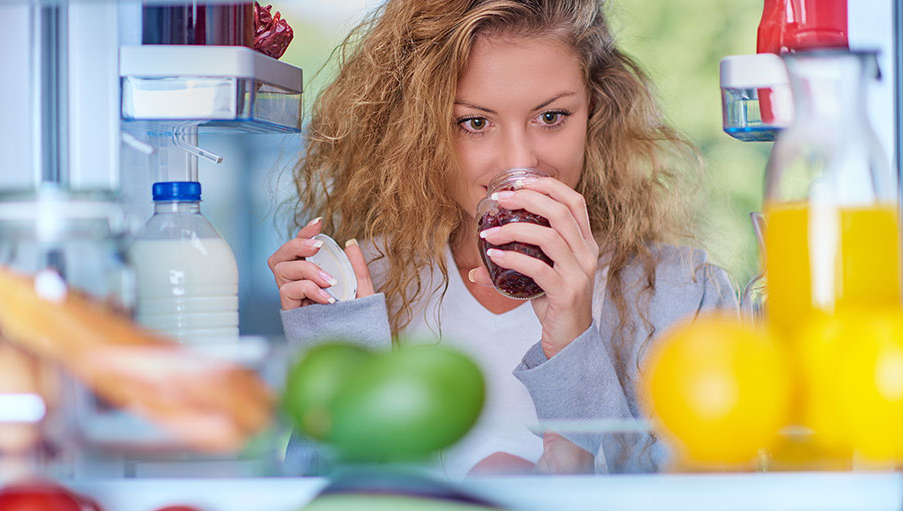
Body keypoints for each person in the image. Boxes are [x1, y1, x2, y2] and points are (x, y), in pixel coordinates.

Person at [268, 0, 737, 479]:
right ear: (421, 130)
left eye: (551, 117)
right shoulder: (365, 287)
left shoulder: (680, 295)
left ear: (593, 110)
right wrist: (341, 359)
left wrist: (574, 339)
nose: (520, 162)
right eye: (475, 123)